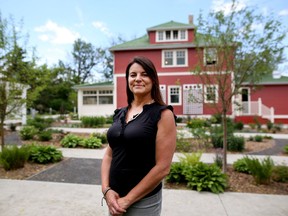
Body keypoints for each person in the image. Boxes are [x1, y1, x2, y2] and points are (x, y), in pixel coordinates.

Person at [101, 56, 177, 216]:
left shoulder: (163, 114)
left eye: (144, 74)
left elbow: (163, 168)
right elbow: (109, 154)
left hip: (143, 202)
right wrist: (106, 190)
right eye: (133, 75)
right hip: (114, 199)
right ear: (127, 79)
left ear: (153, 79)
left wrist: (128, 199)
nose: (138, 79)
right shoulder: (120, 113)